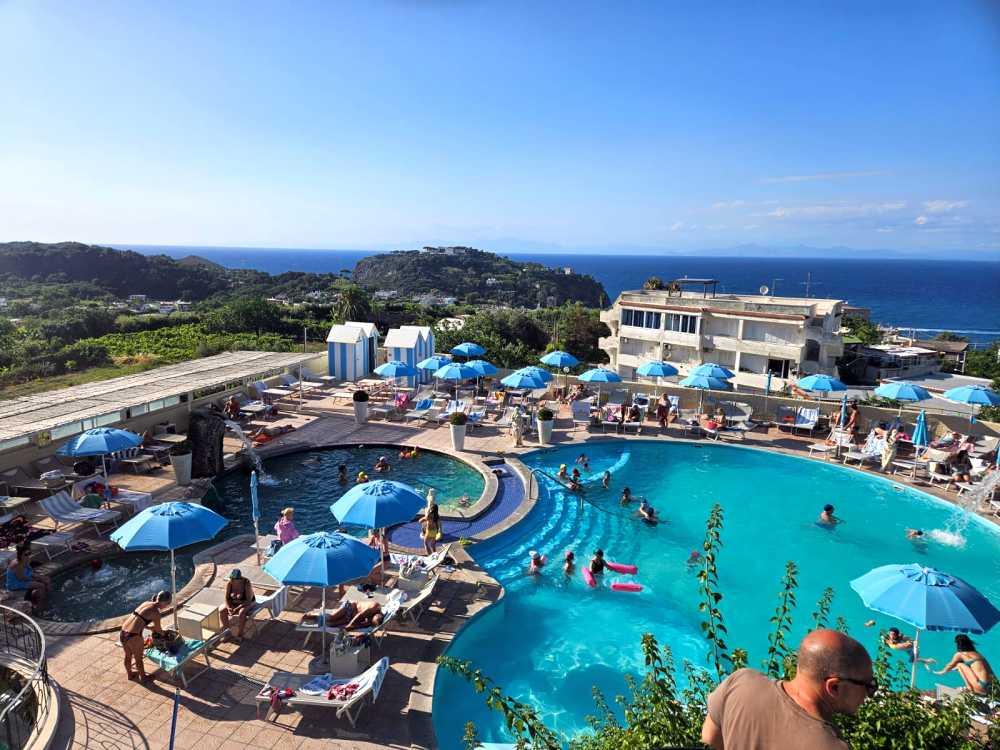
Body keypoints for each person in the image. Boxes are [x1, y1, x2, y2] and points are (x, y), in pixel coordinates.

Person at [701, 629, 874, 750]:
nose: (870, 693)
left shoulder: (740, 681)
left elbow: (710, 739)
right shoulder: (831, 746)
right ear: (834, 687)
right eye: (868, 685)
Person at [119, 591, 172, 681]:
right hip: (134, 636)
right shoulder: (156, 612)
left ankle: (130, 675)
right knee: (138, 658)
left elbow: (139, 618)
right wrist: (165, 635)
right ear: (165, 602)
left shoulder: (146, 603)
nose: (167, 606)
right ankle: (143, 678)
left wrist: (149, 628)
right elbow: (158, 630)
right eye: (168, 604)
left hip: (123, 632)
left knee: (128, 655)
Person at [5, 545, 50, 613]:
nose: (28, 555)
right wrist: (34, 579)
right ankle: (39, 607)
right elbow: (20, 578)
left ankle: (45, 597)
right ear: (20, 555)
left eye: (29, 553)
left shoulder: (26, 559)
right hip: (15, 583)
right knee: (41, 585)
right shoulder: (17, 563)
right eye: (26, 554)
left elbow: (29, 571)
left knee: (46, 579)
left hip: (25, 578)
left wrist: (38, 577)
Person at [220, 569, 255, 641]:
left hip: (246, 602)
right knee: (222, 610)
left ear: (240, 579)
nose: (232, 580)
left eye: (234, 579)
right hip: (234, 602)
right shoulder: (230, 583)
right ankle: (228, 633)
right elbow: (226, 598)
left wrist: (237, 608)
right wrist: (229, 607)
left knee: (241, 613)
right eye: (231, 578)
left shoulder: (246, 583)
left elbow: (248, 600)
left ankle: (240, 634)